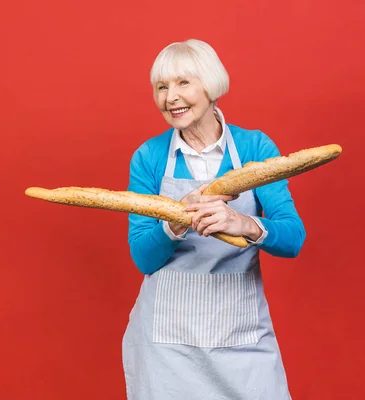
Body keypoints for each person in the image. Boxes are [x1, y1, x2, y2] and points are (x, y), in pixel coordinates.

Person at [122, 39, 306, 400]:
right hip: (166, 346)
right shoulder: (149, 157)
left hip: (240, 336)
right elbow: (142, 257)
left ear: (211, 85)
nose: (170, 97)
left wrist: (245, 225)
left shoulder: (254, 148)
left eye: (182, 83)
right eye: (161, 87)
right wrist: (175, 222)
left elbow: (293, 238)